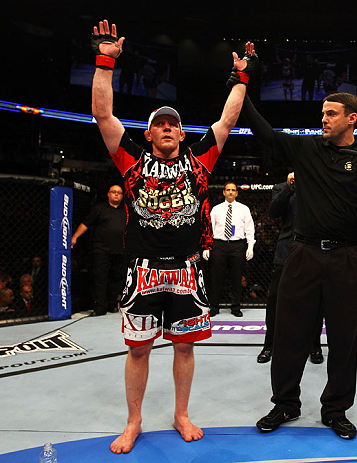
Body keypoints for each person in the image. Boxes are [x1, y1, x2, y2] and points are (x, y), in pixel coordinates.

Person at [89, 19, 257, 453]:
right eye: (159, 123)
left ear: (181, 132)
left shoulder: (200, 159)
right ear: (148, 133)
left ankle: (182, 414)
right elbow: (103, 115)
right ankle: (133, 422)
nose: (166, 127)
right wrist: (105, 60)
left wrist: (242, 78)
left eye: (172, 124)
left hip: (186, 270)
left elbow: (228, 119)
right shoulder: (130, 159)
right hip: (142, 270)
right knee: (139, 351)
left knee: (184, 349)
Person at [242, 91, 357, 439]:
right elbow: (267, 135)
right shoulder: (308, 150)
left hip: (346, 257)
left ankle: (335, 410)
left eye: (331, 113)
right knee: (289, 334)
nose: (324, 119)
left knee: (344, 339)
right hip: (303, 254)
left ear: (352, 119)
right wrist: (241, 88)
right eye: (323, 113)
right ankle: (285, 403)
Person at [257, 173, 323, 365]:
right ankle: (269, 345)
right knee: (275, 299)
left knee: (314, 300)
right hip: (286, 249)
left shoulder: (318, 184)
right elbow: (274, 211)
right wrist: (288, 186)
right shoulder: (281, 187)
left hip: (313, 249)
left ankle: (314, 346)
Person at [71, 184, 127, 316]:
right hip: (102, 249)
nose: (116, 194)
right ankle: (100, 306)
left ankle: (112, 304)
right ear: (108, 194)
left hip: (121, 250)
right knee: (100, 278)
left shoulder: (126, 210)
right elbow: (86, 223)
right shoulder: (99, 209)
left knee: (118, 278)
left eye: (119, 192)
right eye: (113, 192)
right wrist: (75, 236)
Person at [205, 181, 255, 317]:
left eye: (233, 190)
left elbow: (250, 228)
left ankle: (235, 307)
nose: (231, 192)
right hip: (219, 244)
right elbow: (210, 229)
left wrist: (250, 245)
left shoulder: (243, 209)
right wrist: (207, 246)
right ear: (224, 192)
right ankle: (214, 306)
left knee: (236, 277)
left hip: (237, 245)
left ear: (237, 193)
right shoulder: (216, 209)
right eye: (228, 190)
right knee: (216, 277)